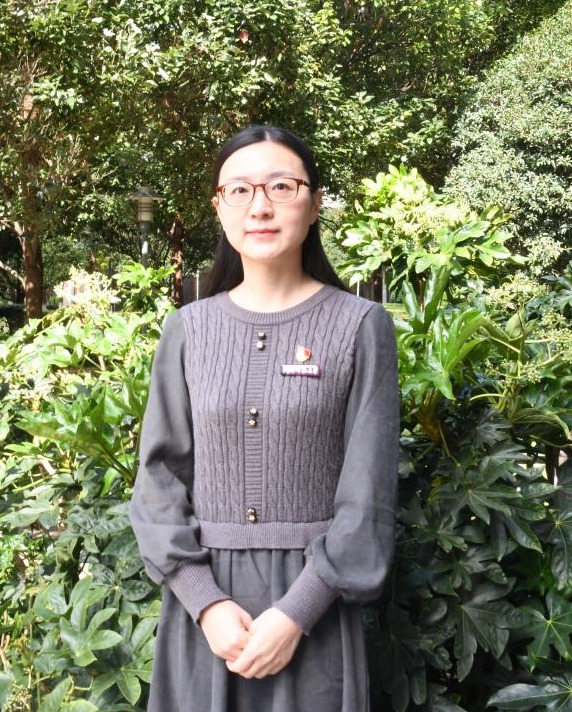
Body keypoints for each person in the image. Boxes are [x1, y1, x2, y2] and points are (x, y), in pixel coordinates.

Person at [130, 125, 400, 712]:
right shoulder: (187, 330)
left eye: (281, 186)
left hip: (314, 616)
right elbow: (158, 480)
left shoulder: (360, 326)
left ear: (315, 203)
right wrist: (206, 602)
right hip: (205, 621)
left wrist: (296, 613)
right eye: (240, 190)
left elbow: (369, 495)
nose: (260, 206)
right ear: (219, 207)